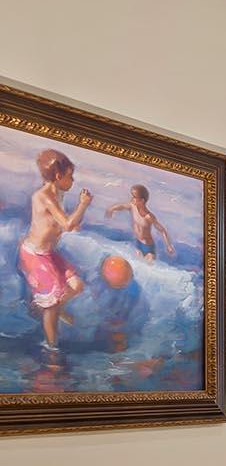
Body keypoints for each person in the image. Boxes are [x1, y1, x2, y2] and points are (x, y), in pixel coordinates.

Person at [19, 149, 90, 350]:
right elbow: (66, 224)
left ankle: (54, 307)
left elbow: (60, 224)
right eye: (70, 176)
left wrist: (72, 223)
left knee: (77, 285)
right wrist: (83, 205)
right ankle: (52, 347)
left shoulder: (57, 195)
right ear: (58, 176)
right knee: (51, 304)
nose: (73, 180)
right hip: (35, 255)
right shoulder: (43, 196)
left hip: (48, 253)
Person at [105, 184, 176, 262]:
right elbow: (122, 206)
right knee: (137, 264)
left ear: (142, 200)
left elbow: (162, 230)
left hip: (148, 247)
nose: (132, 199)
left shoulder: (149, 217)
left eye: (135, 197)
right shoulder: (132, 207)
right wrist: (111, 209)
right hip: (138, 243)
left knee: (148, 266)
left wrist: (168, 246)